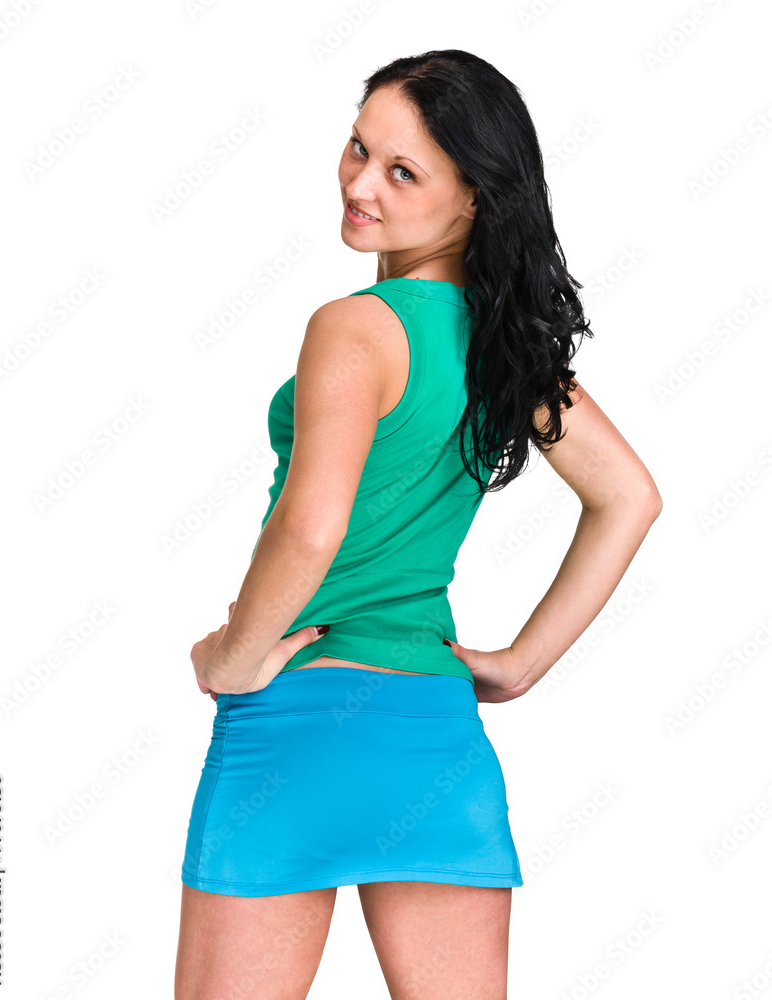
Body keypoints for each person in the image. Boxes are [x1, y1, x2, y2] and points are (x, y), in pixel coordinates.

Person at [174, 49, 662, 1000]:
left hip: (297, 724)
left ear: (474, 198)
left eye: (403, 172)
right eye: (360, 149)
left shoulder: (354, 327)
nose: (361, 184)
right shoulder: (506, 350)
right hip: (437, 736)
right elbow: (629, 496)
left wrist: (231, 657)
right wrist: (517, 666)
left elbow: (311, 529)